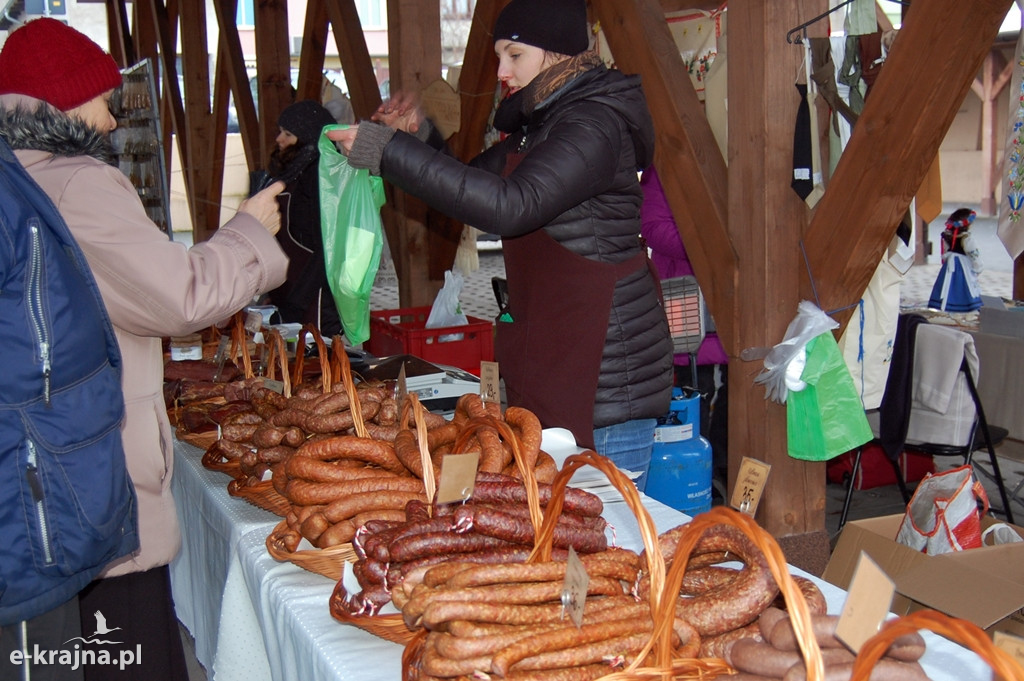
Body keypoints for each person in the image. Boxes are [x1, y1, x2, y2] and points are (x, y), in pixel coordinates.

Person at [0, 18, 288, 680]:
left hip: (44, 481)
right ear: (64, 104)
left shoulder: (19, 183)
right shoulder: (80, 183)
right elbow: (181, 295)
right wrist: (249, 232)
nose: (108, 121)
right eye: (101, 101)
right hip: (98, 476)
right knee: (130, 652)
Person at [328, 0, 673, 490]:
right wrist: (416, 139)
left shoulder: (593, 123)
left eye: (514, 54)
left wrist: (387, 153)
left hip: (604, 382)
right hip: (554, 359)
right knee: (553, 531)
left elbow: (510, 204)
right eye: (497, 56)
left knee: (605, 536)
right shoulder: (542, 124)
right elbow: (474, 184)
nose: (501, 71)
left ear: (556, 52)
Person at [640, 166, 729, 481]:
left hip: (729, 292)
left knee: (739, 386)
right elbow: (653, 226)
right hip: (686, 293)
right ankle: (694, 472)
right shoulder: (663, 169)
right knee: (694, 387)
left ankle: (723, 465)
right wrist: (715, 242)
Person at [261, 99, 343, 337]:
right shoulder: (294, 170)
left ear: (307, 137)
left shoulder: (317, 176)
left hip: (314, 297)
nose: (279, 139)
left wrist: (295, 305)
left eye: (287, 133)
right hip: (289, 289)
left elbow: (325, 248)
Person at [927, 207, 984, 312]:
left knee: (948, 284)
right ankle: (965, 305)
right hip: (963, 267)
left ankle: (947, 304)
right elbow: (974, 255)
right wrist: (978, 267)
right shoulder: (967, 239)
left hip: (950, 266)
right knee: (964, 285)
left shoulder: (947, 236)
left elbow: (945, 252)